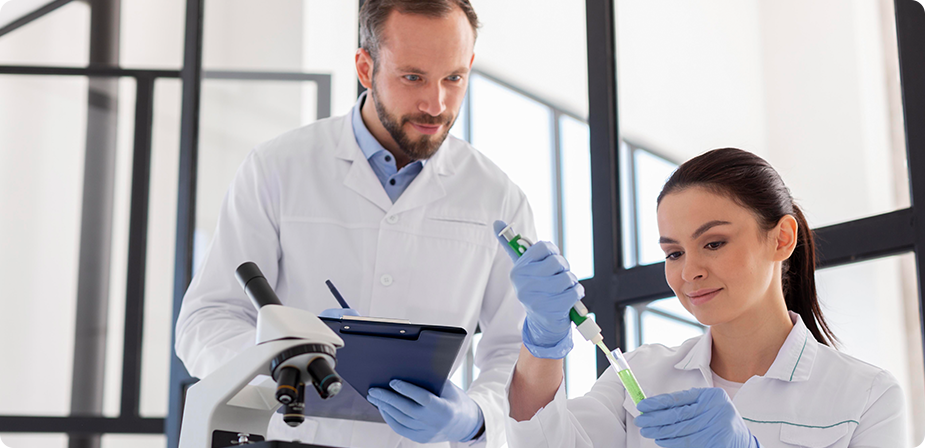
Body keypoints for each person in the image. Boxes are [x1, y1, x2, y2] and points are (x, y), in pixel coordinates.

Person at [175, 1, 534, 447]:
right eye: (413, 77)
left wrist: (475, 417)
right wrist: (274, 361)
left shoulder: (498, 197)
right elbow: (207, 319)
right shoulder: (278, 167)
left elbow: (514, 347)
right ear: (366, 68)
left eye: (453, 78)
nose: (435, 103)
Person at [498, 148, 906, 447]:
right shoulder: (641, 376)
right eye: (674, 253)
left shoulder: (866, 395)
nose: (689, 271)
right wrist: (543, 340)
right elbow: (542, 442)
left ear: (782, 238)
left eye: (713, 243)